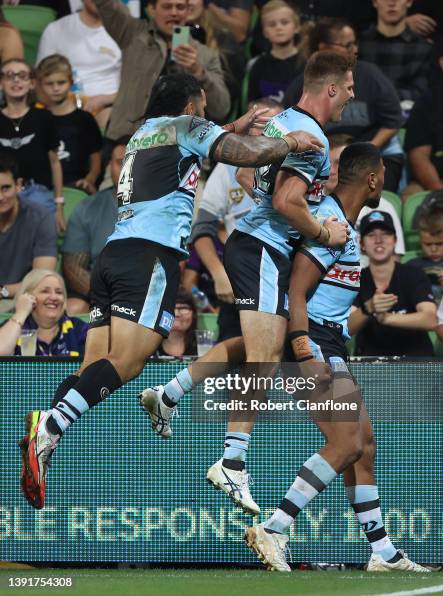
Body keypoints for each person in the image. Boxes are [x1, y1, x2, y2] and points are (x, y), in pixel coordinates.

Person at [19, 72, 324, 509]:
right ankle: (49, 430)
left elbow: (204, 140)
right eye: (202, 108)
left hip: (114, 253)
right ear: (190, 108)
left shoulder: (144, 132)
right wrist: (290, 144)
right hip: (150, 257)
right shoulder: (185, 126)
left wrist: (230, 126)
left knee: (94, 365)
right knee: (128, 363)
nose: (205, 116)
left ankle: (44, 428)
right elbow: (243, 154)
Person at [139, 51, 352, 513]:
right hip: (263, 248)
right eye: (349, 87)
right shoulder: (311, 134)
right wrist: (321, 230)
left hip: (254, 245)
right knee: (264, 355)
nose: (353, 95)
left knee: (255, 346)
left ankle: (171, 393)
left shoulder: (282, 122)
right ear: (331, 89)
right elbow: (286, 201)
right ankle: (232, 462)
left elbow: (243, 171)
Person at [244, 143, 429, 574]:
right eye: (383, 173)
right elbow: (296, 290)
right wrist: (302, 347)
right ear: (371, 179)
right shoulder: (332, 222)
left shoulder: (339, 220)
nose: (385, 181)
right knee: (345, 443)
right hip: (313, 343)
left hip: (330, 342)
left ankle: (381, 553)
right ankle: (275, 526)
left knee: (362, 446)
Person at [189, 98, 283, 340]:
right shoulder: (227, 170)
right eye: (258, 126)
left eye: (273, 125)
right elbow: (201, 230)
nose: (264, 133)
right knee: (232, 351)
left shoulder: (296, 166)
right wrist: (219, 274)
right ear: (248, 130)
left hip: (282, 273)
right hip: (241, 275)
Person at [90, 0, 231, 141]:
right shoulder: (132, 33)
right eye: (167, 7)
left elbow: (222, 108)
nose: (174, 12)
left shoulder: (205, 54)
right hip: (125, 141)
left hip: (175, 149)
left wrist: (198, 72)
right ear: (151, 9)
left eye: (180, 7)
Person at [283, 18, 405, 193]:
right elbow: (290, 129)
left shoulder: (371, 75)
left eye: (354, 44)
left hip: (372, 153)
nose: (354, 50)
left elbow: (392, 122)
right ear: (323, 47)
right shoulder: (302, 85)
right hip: (321, 160)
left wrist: (365, 153)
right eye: (347, 45)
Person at [349, 210, 437, 356]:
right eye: (371, 235)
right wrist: (368, 308)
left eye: (385, 234)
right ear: (362, 244)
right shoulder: (356, 280)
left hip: (416, 362)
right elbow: (347, 329)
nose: (379, 240)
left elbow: (430, 319)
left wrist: (388, 318)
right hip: (372, 364)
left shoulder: (414, 274)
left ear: (395, 240)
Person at [36, 0, 122, 129]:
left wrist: (104, 100)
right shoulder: (56, 30)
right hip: (62, 105)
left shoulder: (127, 32)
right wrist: (66, 103)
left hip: (111, 106)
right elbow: (39, 84)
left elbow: (137, 86)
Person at [61, 138, 126, 314]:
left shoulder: (162, 208)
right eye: (121, 163)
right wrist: (109, 298)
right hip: (99, 293)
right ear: (109, 167)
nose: (127, 170)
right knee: (74, 307)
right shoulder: (87, 208)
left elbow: (172, 265)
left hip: (146, 294)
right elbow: (73, 266)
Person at [0, 58, 65, 231]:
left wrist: (59, 205)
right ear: (1, 83)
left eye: (22, 76)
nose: (16, 80)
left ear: (32, 83)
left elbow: (54, 162)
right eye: (9, 76)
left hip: (37, 191)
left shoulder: (44, 117)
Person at [358, 0, 433, 110]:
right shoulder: (359, 44)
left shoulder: (424, 49)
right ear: (374, 1)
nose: (391, 3)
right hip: (361, 117)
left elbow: (420, 92)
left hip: (404, 120)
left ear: (409, 1)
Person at [36, 54, 103, 195]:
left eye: (61, 82)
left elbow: (96, 158)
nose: (55, 88)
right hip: (43, 188)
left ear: (71, 82)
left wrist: (89, 180)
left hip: (77, 186)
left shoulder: (85, 119)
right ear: (40, 84)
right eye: (49, 83)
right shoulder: (37, 119)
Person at [0, 154, 57, 313]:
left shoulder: (41, 217)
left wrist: (2, 291)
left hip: (26, 300)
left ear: (18, 185)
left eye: (5, 188)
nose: (0, 197)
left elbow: (42, 278)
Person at [0, 269, 88, 356]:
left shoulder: (78, 328)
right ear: (27, 297)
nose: (54, 297)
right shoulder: (12, 327)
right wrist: (21, 313)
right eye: (45, 291)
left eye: (59, 292)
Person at [403, 36, 443, 198]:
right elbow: (419, 157)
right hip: (434, 183)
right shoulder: (427, 103)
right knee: (411, 195)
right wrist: (439, 193)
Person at [247, 0, 304, 104]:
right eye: (272, 24)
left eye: (285, 22)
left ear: (296, 27)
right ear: (265, 32)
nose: (279, 27)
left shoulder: (306, 65)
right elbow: (252, 104)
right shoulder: (258, 65)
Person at [408, 202, 443, 304]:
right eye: (427, 244)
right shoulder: (411, 266)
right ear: (420, 240)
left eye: (439, 243)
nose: (433, 249)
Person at [153, 287, 197, 357]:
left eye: (183, 308)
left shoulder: (203, 348)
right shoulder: (148, 349)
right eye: (171, 308)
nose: (176, 314)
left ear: (194, 314)